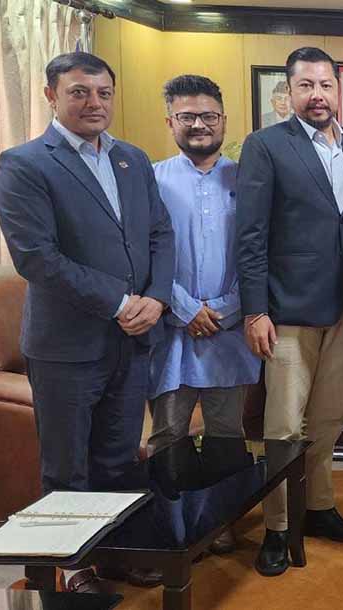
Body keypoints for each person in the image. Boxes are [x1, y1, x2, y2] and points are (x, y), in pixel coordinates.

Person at [0, 51, 174, 592]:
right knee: (66, 468)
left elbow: (159, 234)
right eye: (79, 92)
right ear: (52, 95)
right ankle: (73, 569)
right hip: (67, 347)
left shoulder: (132, 159)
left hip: (133, 341)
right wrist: (121, 303)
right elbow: (37, 258)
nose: (94, 103)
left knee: (119, 460)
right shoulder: (24, 164)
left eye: (103, 93)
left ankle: (115, 553)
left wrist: (157, 299)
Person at [236, 46, 343, 577]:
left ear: (338, 89)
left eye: (325, 85)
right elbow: (250, 235)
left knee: (330, 417)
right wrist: (255, 311)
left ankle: (317, 506)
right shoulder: (266, 146)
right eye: (306, 85)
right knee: (283, 424)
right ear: (289, 92)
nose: (317, 95)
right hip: (287, 312)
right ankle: (277, 526)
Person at [148, 74, 261, 555]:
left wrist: (226, 307)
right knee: (169, 431)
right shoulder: (151, 179)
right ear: (170, 121)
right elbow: (142, 254)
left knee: (226, 431)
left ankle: (220, 521)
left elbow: (258, 250)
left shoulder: (246, 179)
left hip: (229, 329)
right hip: (170, 326)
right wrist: (186, 308)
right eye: (187, 116)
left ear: (223, 120)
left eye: (208, 116)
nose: (199, 125)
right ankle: (170, 529)